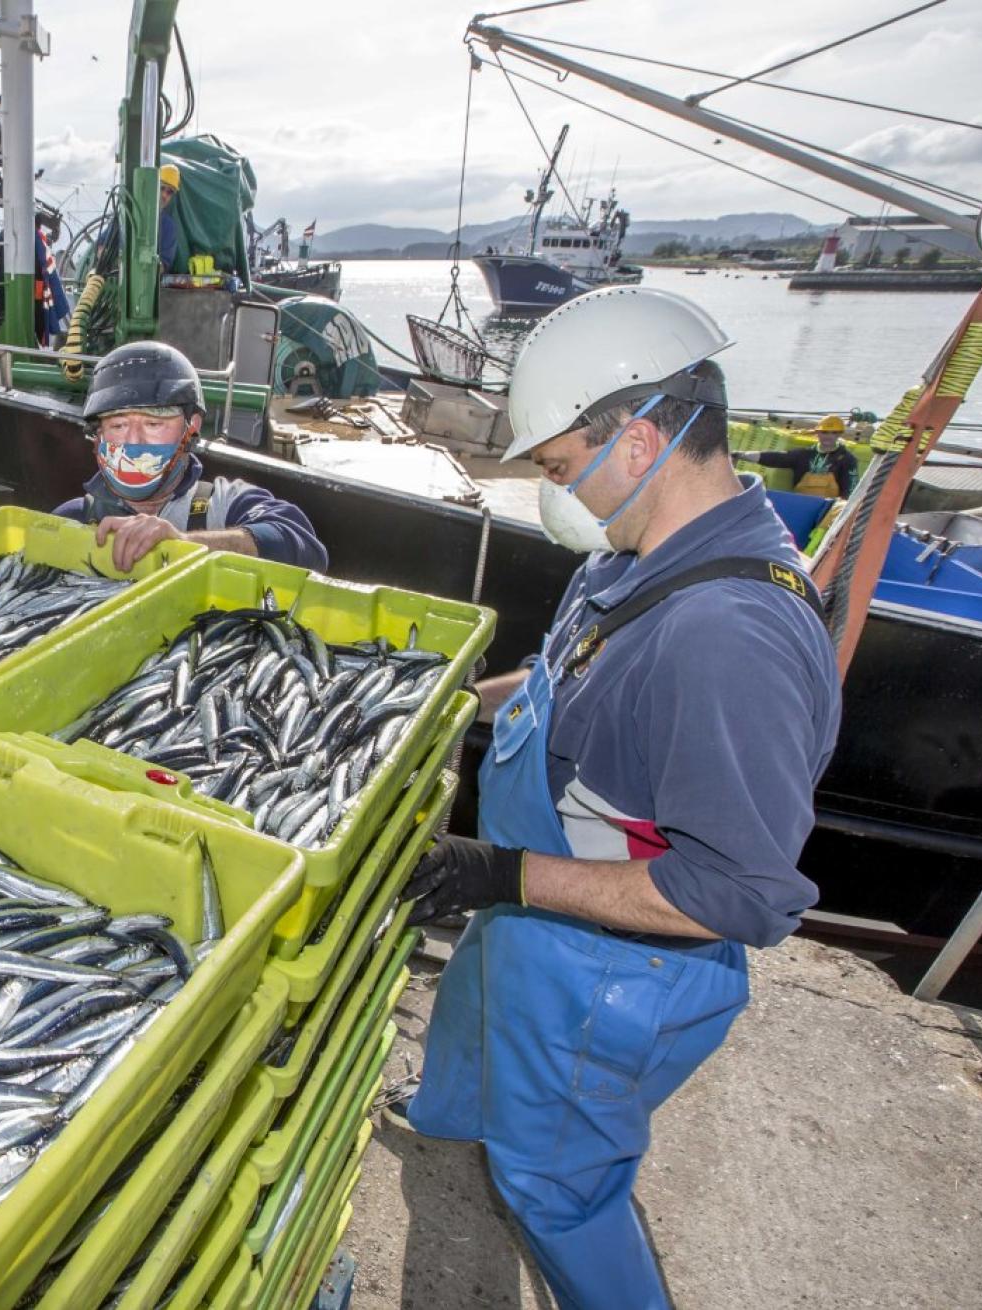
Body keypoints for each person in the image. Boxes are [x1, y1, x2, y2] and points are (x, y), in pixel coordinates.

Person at [395, 287, 841, 1310]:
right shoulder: (639, 559)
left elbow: (733, 894)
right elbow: (566, 678)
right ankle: (453, 1113)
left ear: (637, 442)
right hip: (534, 925)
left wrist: (495, 869)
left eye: (559, 466)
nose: (566, 491)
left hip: (616, 969)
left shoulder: (729, 634)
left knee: (558, 1186)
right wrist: (452, 699)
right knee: (470, 1008)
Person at [55, 342, 328, 572]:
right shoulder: (72, 519)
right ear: (98, 434)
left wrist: (185, 542)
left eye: (153, 424)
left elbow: (305, 549)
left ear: (192, 426)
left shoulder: (224, 504)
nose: (134, 441)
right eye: (118, 426)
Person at [736, 413, 858, 497]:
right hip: (801, 503)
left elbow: (850, 490)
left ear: (840, 434)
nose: (829, 436)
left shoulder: (847, 459)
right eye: (824, 432)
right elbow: (773, 458)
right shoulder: (803, 455)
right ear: (817, 433)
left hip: (829, 508)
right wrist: (741, 455)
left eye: (834, 433)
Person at [157, 162, 184, 273]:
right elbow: (102, 245)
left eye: (169, 192)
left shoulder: (168, 226)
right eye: (162, 188)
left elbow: (163, 265)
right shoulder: (127, 213)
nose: (164, 195)